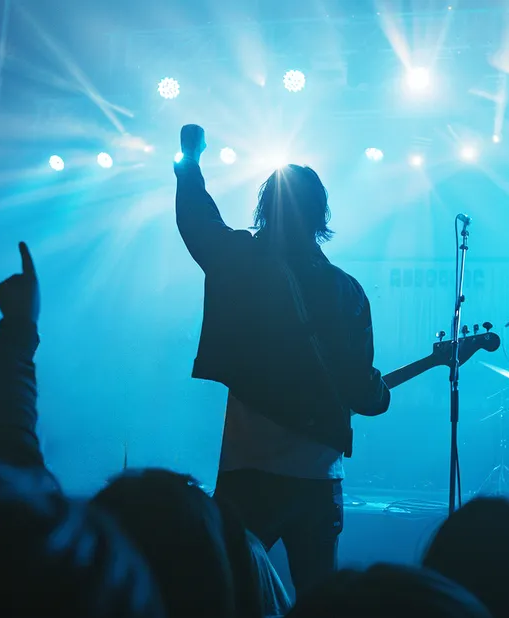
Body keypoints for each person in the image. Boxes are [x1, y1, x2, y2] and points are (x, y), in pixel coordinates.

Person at [173, 124, 390, 596]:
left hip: (245, 473)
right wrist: (378, 394)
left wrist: (190, 160)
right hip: (316, 481)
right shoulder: (347, 292)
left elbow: (197, 220)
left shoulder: (240, 262)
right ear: (320, 215)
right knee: (319, 599)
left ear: (263, 209)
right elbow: (362, 392)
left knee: (225, 594)